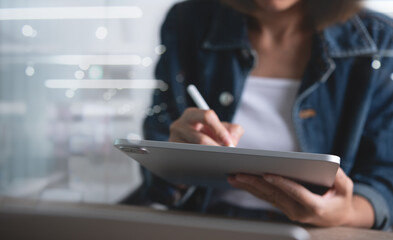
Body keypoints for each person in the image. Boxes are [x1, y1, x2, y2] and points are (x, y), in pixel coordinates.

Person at [122, 0, 393, 230]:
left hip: (320, 233)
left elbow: (385, 181)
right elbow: (157, 182)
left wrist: (345, 214)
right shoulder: (187, 22)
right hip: (204, 225)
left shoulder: (379, 39)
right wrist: (176, 161)